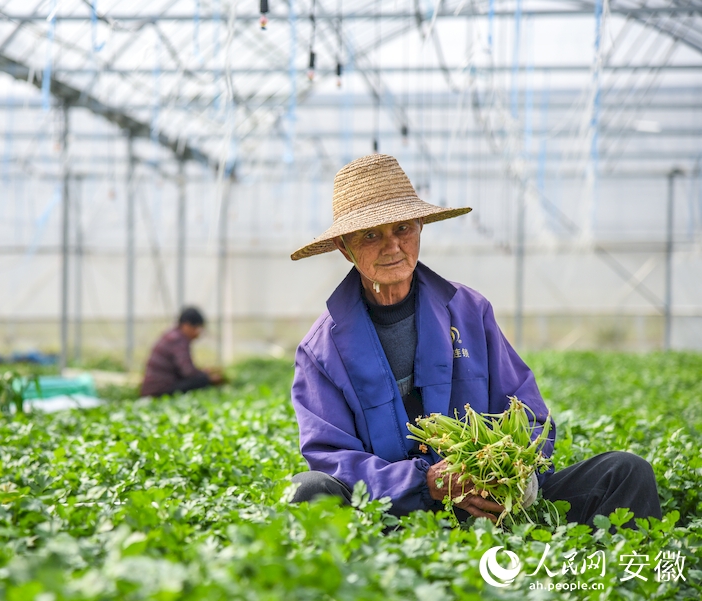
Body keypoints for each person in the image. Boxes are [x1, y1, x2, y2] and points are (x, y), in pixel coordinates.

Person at [287, 154, 661, 527]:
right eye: (371, 235)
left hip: (492, 502)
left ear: (420, 226)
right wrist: (426, 482)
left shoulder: (469, 310)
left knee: (625, 472)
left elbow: (528, 413)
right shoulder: (321, 350)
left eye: (403, 228)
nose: (392, 246)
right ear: (343, 246)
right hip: (392, 512)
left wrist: (512, 473)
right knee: (307, 491)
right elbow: (331, 456)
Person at [140, 307, 224, 398]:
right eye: (197, 328)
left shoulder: (174, 335)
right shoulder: (178, 340)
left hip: (154, 389)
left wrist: (202, 372)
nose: (198, 333)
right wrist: (207, 377)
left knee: (201, 378)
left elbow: (183, 369)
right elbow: (188, 372)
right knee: (202, 380)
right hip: (159, 391)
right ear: (186, 325)